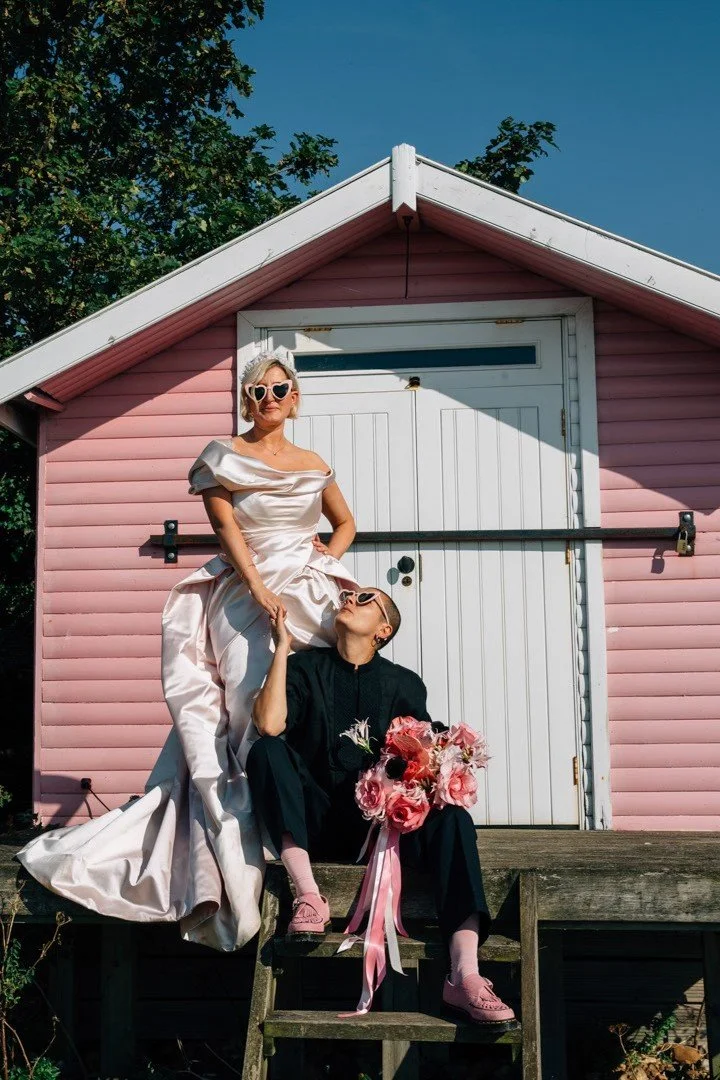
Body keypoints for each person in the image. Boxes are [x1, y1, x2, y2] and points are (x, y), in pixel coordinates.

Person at [17, 347, 360, 952]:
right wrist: (261, 591)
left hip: (308, 594)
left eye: (279, 391)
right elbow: (228, 531)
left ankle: (301, 830)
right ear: (246, 398)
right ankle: (246, 839)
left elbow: (346, 524)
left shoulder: (314, 463)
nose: (268, 400)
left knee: (307, 706)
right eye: (258, 391)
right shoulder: (222, 456)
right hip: (246, 595)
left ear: (295, 400)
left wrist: (320, 563)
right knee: (249, 711)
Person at [246, 588, 517, 1026]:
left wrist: (439, 763)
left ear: (383, 630)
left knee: (454, 820)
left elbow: (422, 753)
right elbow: (269, 723)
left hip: (381, 832)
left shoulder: (404, 684)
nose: (349, 598)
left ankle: (465, 974)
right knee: (266, 751)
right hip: (314, 821)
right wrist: (282, 648)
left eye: (365, 598)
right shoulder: (304, 668)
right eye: (348, 595)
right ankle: (309, 896)